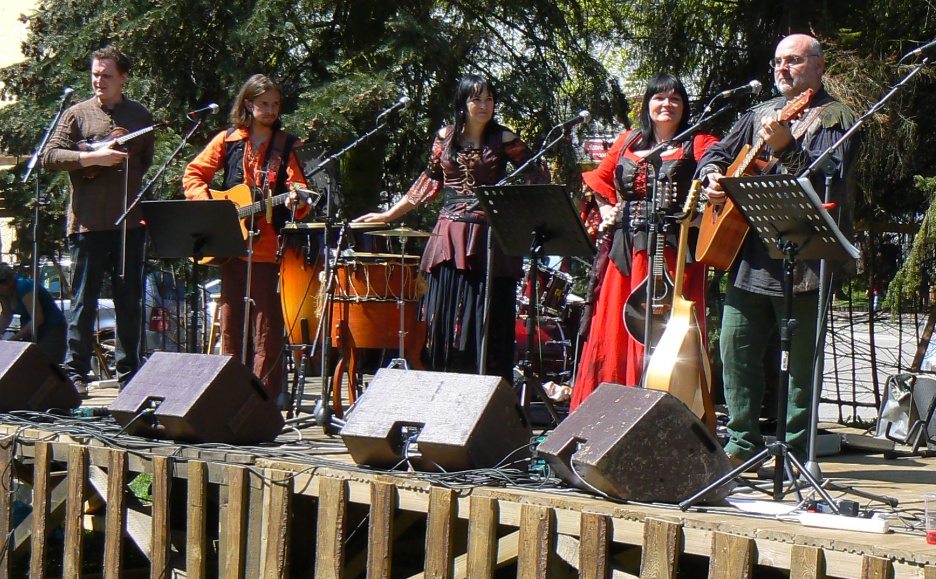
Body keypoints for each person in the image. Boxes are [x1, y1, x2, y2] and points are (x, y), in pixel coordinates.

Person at [696, 34, 860, 465]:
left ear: (819, 66)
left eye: (793, 60)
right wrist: (712, 176)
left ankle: (796, 450)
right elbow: (716, 152)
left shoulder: (836, 116)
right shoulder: (760, 113)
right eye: (777, 62)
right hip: (748, 255)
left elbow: (830, 177)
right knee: (736, 351)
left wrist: (788, 147)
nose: (782, 69)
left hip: (805, 259)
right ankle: (740, 445)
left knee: (801, 366)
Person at [355, 75, 532, 378]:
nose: (484, 105)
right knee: (444, 316)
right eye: (477, 99)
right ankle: (444, 379)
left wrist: (510, 208)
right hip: (449, 234)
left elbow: (536, 176)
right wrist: (389, 215)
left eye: (489, 99)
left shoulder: (504, 138)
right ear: (462, 104)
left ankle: (485, 383)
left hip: (488, 238)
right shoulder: (445, 137)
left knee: (485, 315)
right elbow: (429, 182)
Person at [570, 74, 718, 409]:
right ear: (648, 104)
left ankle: (664, 409)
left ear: (684, 106)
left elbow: (721, 174)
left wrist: (700, 216)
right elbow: (598, 181)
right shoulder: (627, 140)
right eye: (659, 98)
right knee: (616, 327)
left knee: (667, 332)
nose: (667, 105)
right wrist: (606, 209)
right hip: (625, 251)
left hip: (672, 252)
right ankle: (611, 411)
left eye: (675, 99)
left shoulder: (699, 141)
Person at [182, 75, 311, 403]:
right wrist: (212, 210)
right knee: (231, 324)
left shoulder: (285, 145)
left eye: (275, 104)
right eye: (264, 104)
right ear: (248, 105)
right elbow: (193, 174)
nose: (270, 110)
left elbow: (299, 189)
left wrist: (297, 200)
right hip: (231, 245)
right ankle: (229, 396)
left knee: (267, 327)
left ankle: (261, 400)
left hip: (267, 247)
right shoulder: (227, 140)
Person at [42, 45, 153, 394]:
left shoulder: (140, 115)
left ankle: (129, 374)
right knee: (83, 301)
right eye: (95, 74)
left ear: (123, 77)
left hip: (128, 224)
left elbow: (144, 162)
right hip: (87, 224)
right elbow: (50, 156)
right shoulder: (76, 114)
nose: (98, 81)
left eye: (106, 75)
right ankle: (76, 372)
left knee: (129, 301)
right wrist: (92, 159)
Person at [0, 263, 68, 364]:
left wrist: (12, 339)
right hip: (31, 331)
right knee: (27, 365)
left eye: (0, 287)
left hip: (51, 330)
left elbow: (37, 319)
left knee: (44, 365)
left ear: (8, 282)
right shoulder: (0, 292)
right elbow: (6, 315)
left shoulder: (24, 286)